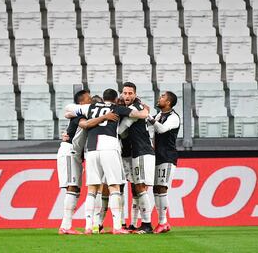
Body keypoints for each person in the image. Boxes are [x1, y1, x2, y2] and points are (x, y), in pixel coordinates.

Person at [70, 88, 149, 235]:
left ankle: (88, 226)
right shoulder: (117, 108)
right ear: (114, 99)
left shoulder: (90, 107)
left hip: (92, 148)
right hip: (109, 147)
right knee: (114, 187)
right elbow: (142, 114)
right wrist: (144, 108)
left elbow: (68, 112)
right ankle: (117, 226)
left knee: (92, 189)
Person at [57, 90, 117, 235]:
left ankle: (70, 225)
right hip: (70, 151)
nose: (91, 102)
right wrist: (105, 117)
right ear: (82, 103)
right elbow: (85, 125)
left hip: (75, 153)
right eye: (89, 99)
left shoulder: (82, 113)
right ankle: (65, 226)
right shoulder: (80, 115)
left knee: (75, 189)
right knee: (72, 188)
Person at [119, 82, 155, 234]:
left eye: (130, 93)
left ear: (135, 94)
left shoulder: (134, 109)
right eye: (125, 93)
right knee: (138, 187)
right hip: (142, 151)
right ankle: (137, 224)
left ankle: (147, 224)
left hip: (141, 151)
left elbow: (121, 131)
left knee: (140, 187)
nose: (127, 96)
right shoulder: (140, 107)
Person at [147, 91, 180, 234]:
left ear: (168, 102)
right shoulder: (160, 115)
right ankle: (163, 222)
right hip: (157, 156)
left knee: (162, 188)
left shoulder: (174, 118)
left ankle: (163, 222)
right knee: (156, 189)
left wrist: (148, 116)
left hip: (167, 156)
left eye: (162, 97)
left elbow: (162, 129)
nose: (159, 98)